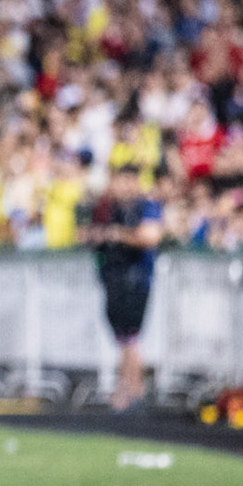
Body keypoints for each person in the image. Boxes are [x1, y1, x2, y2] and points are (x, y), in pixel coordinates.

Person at [78, 164, 163, 411]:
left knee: (131, 337)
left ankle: (133, 392)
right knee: (123, 338)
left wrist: (118, 235)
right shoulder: (108, 209)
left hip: (136, 280)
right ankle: (125, 389)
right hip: (113, 280)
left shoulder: (145, 206)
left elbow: (150, 236)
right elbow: (84, 235)